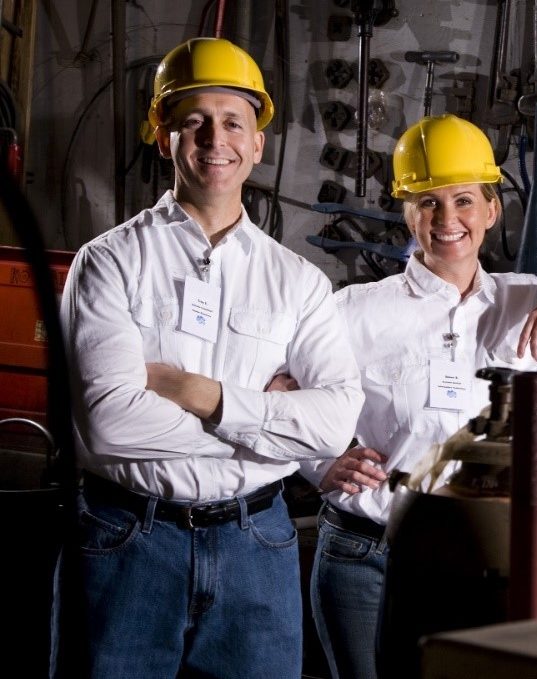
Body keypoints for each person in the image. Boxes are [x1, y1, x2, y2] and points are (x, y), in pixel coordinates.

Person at [300, 114, 537, 679]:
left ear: (491, 211)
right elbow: (274, 394)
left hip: (492, 554)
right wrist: (318, 463)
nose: (447, 220)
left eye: (464, 201)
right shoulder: (355, 312)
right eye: (427, 203)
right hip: (371, 553)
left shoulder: (527, 300)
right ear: (406, 213)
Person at [58, 37, 364, 677]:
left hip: (257, 546)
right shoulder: (110, 263)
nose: (213, 139)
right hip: (128, 539)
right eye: (191, 121)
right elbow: (108, 423)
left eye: (232, 123)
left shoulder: (299, 282)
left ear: (257, 144)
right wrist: (268, 427)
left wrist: (195, 392)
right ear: (162, 135)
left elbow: (334, 425)